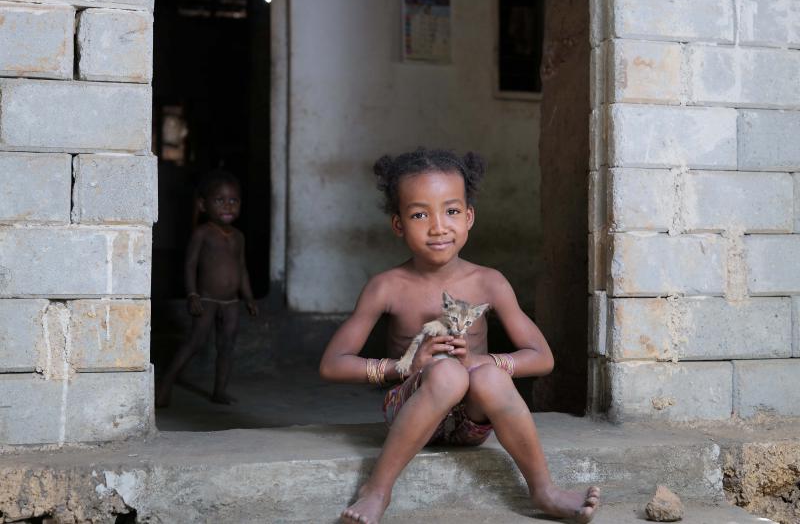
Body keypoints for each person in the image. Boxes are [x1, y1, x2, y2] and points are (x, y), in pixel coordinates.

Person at [319, 148, 600, 523]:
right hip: (409, 410)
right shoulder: (386, 287)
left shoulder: (489, 282)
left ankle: (543, 490)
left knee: (487, 376)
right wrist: (403, 367)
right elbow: (332, 365)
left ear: (468, 218)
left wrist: (482, 361)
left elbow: (542, 357)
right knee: (447, 373)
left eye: (451, 211)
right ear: (399, 224)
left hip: (471, 421)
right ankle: (377, 489)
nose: (438, 226)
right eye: (420, 214)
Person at [156, 170, 258, 408]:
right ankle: (166, 382)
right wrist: (192, 294)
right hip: (208, 299)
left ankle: (219, 391)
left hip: (231, 302)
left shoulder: (239, 237)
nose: (228, 206)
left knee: (227, 345)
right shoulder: (203, 233)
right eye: (220, 200)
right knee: (195, 341)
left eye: (234, 200)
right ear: (203, 205)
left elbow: (242, 269)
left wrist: (249, 297)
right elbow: (190, 265)